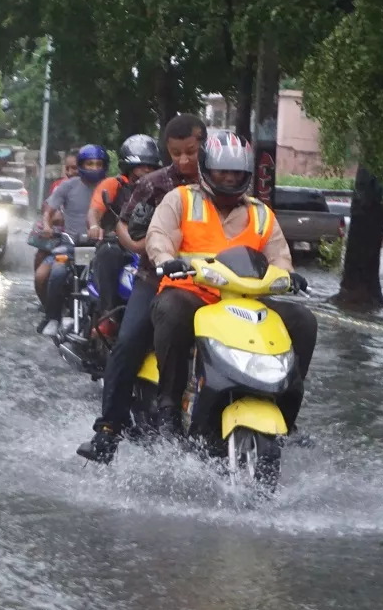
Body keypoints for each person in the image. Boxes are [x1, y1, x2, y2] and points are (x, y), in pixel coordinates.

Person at [147, 130, 316, 437]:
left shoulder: (262, 214)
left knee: (303, 321)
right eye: (222, 170)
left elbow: (279, 256)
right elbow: (158, 234)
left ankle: (287, 411)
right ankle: (168, 407)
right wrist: (165, 259)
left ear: (247, 174)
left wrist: (287, 277)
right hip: (193, 294)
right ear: (206, 170)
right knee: (171, 310)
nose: (228, 177)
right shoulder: (180, 199)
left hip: (247, 302)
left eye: (235, 172)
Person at [77, 115, 204, 462]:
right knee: (128, 341)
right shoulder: (154, 184)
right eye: (176, 153)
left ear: (204, 148)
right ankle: (108, 430)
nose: (183, 161)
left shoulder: (223, 184)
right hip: (156, 278)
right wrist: (138, 247)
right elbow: (124, 226)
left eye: (191, 152)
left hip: (214, 282)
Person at [85, 134, 163, 332]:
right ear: (128, 166)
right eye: (141, 166)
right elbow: (94, 210)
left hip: (151, 246)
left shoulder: (161, 188)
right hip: (117, 243)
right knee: (108, 253)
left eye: (151, 166)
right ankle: (107, 315)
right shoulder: (114, 184)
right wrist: (95, 226)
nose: (147, 170)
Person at [36, 144, 109, 336]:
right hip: (69, 246)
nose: (94, 168)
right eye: (89, 163)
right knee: (50, 274)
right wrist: (47, 225)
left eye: (98, 164)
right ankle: (52, 316)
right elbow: (48, 211)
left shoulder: (110, 186)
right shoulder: (68, 186)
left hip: (102, 247)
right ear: (81, 165)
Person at [33, 152, 79, 271]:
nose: (69, 172)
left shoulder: (97, 186)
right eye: (67, 168)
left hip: (86, 239)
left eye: (74, 168)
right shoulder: (59, 186)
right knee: (42, 259)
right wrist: (49, 225)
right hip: (60, 236)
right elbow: (48, 210)